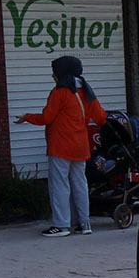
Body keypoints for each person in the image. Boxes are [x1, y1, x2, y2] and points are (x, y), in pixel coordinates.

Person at [21, 54, 105, 236]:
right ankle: (84, 224)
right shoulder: (88, 93)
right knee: (80, 185)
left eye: (54, 73)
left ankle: (61, 225)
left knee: (59, 185)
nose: (53, 76)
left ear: (62, 74)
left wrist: (27, 117)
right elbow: (101, 118)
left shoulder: (59, 92)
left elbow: (47, 118)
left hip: (60, 146)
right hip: (81, 146)